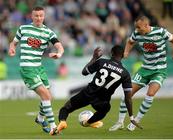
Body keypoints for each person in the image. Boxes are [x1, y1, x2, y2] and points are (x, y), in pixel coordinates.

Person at [50, 45, 142, 135]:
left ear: (111, 53)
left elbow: (84, 72)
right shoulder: (125, 73)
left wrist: (94, 58)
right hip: (102, 101)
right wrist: (131, 117)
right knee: (105, 109)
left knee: (66, 108)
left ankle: (62, 121)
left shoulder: (101, 62)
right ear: (122, 56)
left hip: (88, 93)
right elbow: (128, 98)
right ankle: (88, 122)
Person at [109, 16, 173, 132]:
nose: (137, 29)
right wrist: (126, 51)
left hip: (159, 70)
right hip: (144, 69)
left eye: (139, 27)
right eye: (136, 27)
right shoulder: (137, 33)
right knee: (127, 94)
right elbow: (130, 41)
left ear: (146, 25)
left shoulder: (160, 32)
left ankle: (136, 120)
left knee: (150, 94)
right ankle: (120, 122)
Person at [8, 6, 64, 134]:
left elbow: (60, 46)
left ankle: (40, 118)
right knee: (45, 95)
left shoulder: (48, 32)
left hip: (39, 68)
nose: (38, 18)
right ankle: (53, 127)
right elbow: (13, 42)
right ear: (31, 16)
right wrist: (12, 48)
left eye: (41, 15)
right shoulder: (23, 28)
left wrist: (59, 54)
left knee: (49, 97)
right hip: (27, 68)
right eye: (36, 15)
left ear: (44, 16)